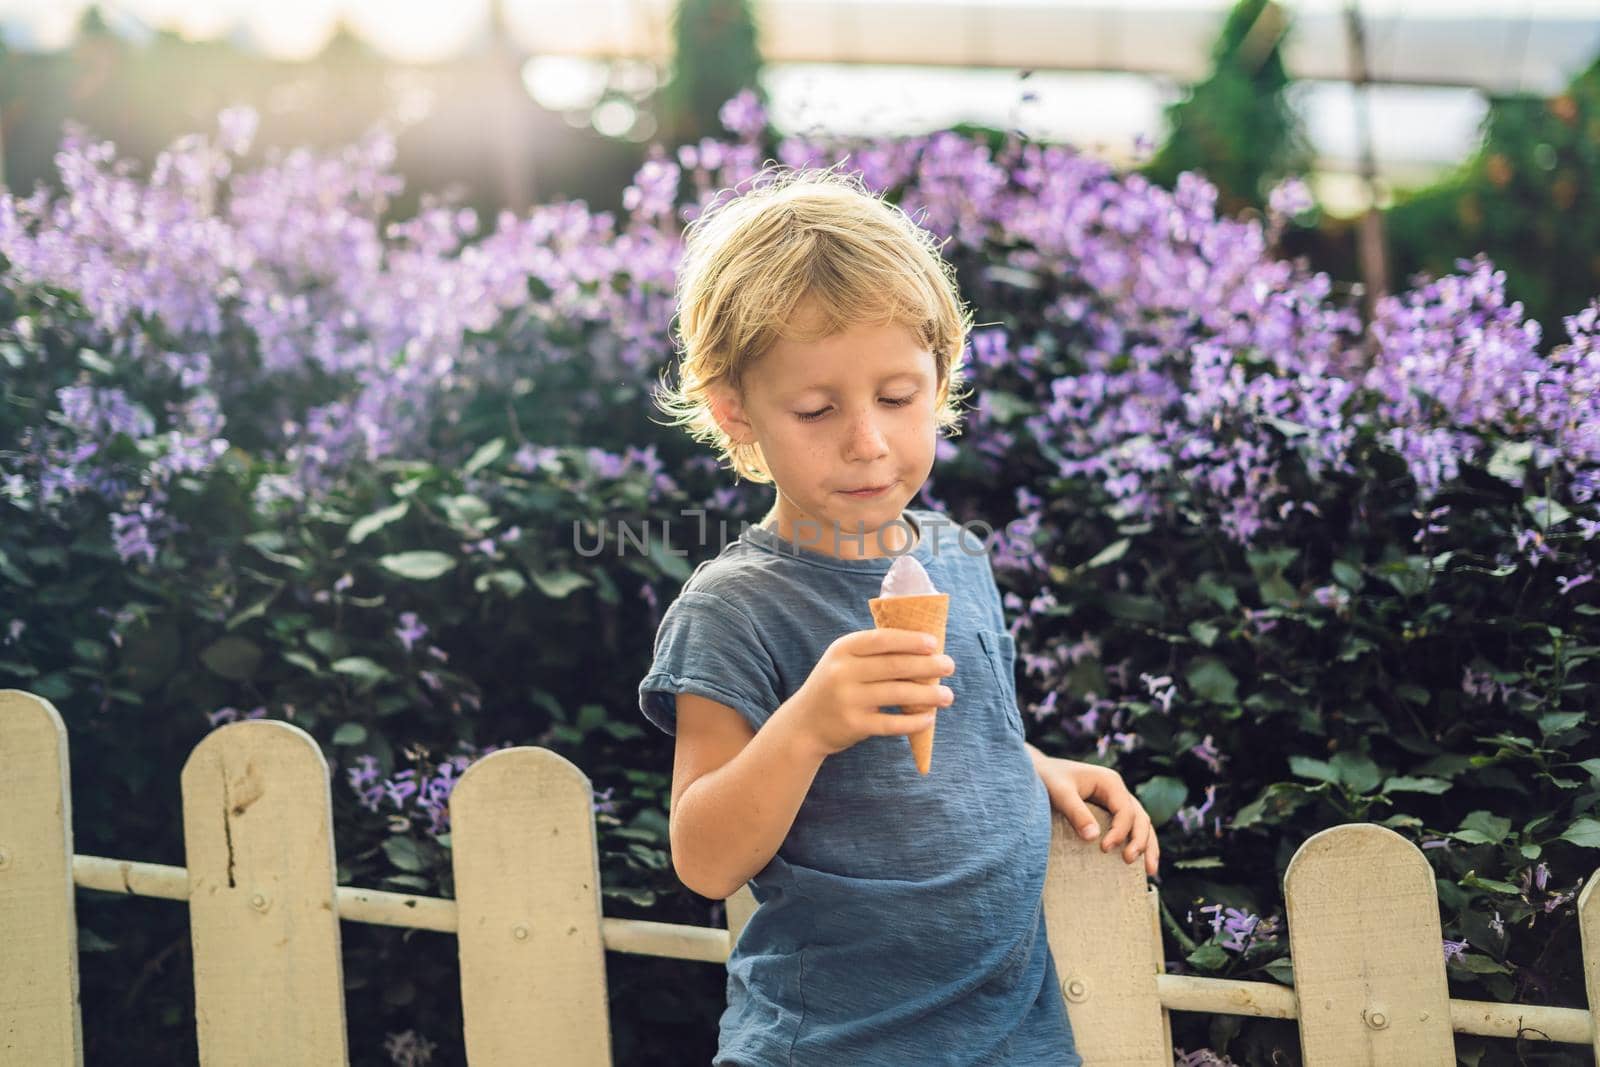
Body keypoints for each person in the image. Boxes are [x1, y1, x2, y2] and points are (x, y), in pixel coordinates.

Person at [639, 165, 1160, 1065]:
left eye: (896, 396)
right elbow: (703, 856)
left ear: (942, 374)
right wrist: (806, 724)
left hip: (1011, 1032)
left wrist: (1035, 765)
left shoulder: (956, 556)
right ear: (735, 410)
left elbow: (957, 733)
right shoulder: (733, 609)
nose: (868, 441)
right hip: (835, 1044)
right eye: (816, 407)